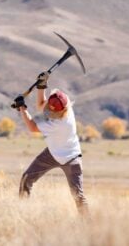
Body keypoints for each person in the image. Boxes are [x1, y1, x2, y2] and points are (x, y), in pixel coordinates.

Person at [13, 72, 88, 213]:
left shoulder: (59, 124)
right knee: (26, 179)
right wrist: (42, 86)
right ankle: (22, 211)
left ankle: (89, 226)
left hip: (71, 159)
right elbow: (42, 104)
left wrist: (22, 109)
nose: (50, 113)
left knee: (78, 196)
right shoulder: (63, 103)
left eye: (54, 112)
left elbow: (32, 127)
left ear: (62, 111)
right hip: (53, 153)